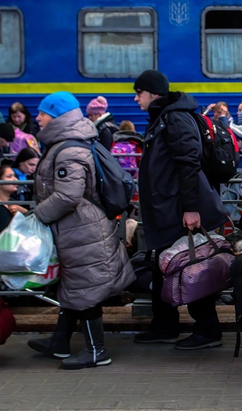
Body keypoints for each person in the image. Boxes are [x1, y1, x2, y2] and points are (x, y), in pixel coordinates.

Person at [26, 91, 134, 369]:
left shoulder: (69, 151)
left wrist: (37, 216)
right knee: (74, 287)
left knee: (85, 290)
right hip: (79, 229)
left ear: (58, 116)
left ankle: (96, 351)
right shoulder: (68, 144)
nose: (37, 118)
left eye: (42, 113)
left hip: (83, 231)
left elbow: (68, 195)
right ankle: (59, 342)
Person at [131, 70, 229, 350]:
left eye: (139, 93)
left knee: (191, 264)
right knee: (164, 268)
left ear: (153, 93)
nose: (136, 98)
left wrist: (191, 208)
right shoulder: (164, 118)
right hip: (166, 209)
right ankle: (164, 326)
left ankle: (208, 329)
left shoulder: (175, 118)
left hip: (178, 211)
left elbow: (188, 163)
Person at [0, 164, 26, 231]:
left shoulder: (13, 202)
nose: (15, 179)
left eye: (14, 176)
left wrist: (25, 212)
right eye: (9, 176)